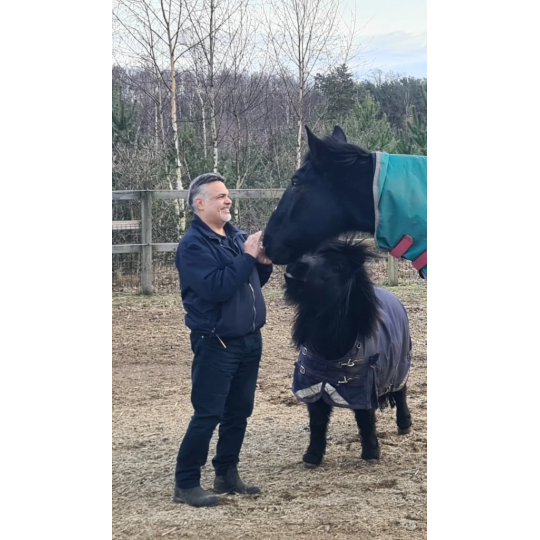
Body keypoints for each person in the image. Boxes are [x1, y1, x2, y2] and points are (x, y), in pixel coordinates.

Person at [173, 172, 273, 508]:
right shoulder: (193, 246)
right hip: (217, 342)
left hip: (249, 339)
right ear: (199, 204)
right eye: (219, 197)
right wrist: (246, 256)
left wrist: (262, 263)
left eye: (227, 195)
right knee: (208, 413)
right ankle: (186, 483)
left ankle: (226, 473)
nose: (227, 200)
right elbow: (217, 288)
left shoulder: (234, 236)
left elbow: (253, 280)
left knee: (239, 411)